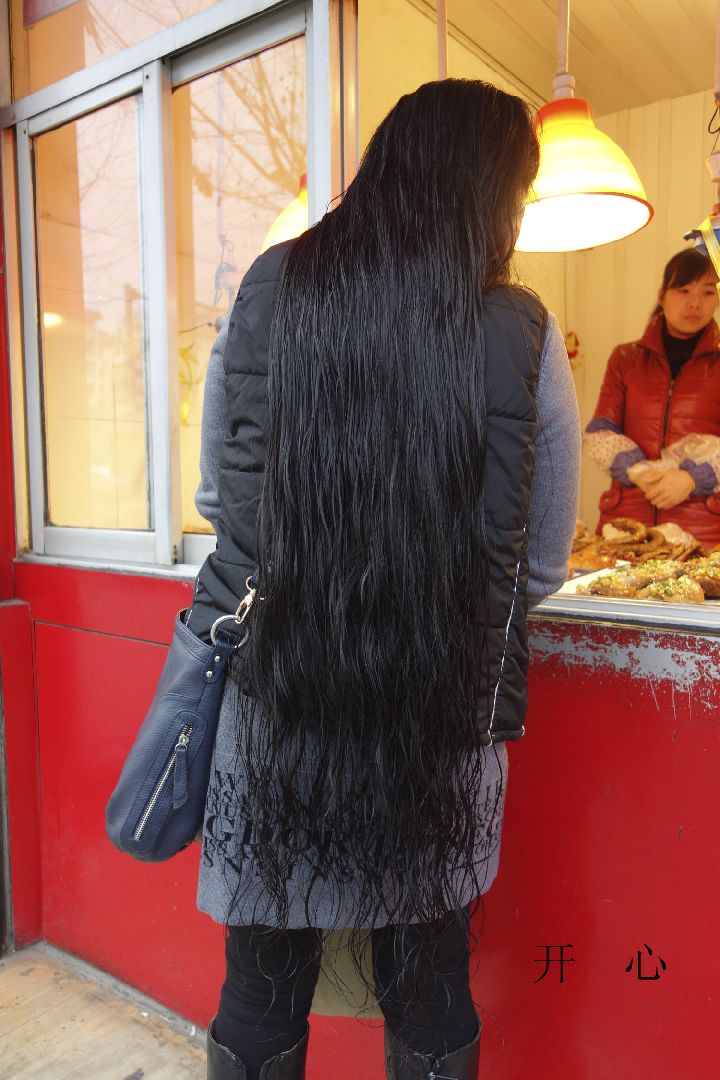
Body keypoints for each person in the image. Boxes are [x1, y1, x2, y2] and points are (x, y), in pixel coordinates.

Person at [187, 79, 580, 1080]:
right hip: (432, 726)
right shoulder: (521, 331)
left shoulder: (269, 289)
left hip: (277, 710)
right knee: (429, 982)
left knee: (262, 983)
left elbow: (219, 504)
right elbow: (536, 564)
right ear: (491, 195)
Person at [585, 249, 720, 547]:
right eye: (683, 290)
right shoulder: (625, 359)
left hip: (704, 535)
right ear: (662, 296)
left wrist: (693, 479)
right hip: (625, 527)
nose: (695, 303)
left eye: (708, 292)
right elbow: (600, 432)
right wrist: (638, 470)